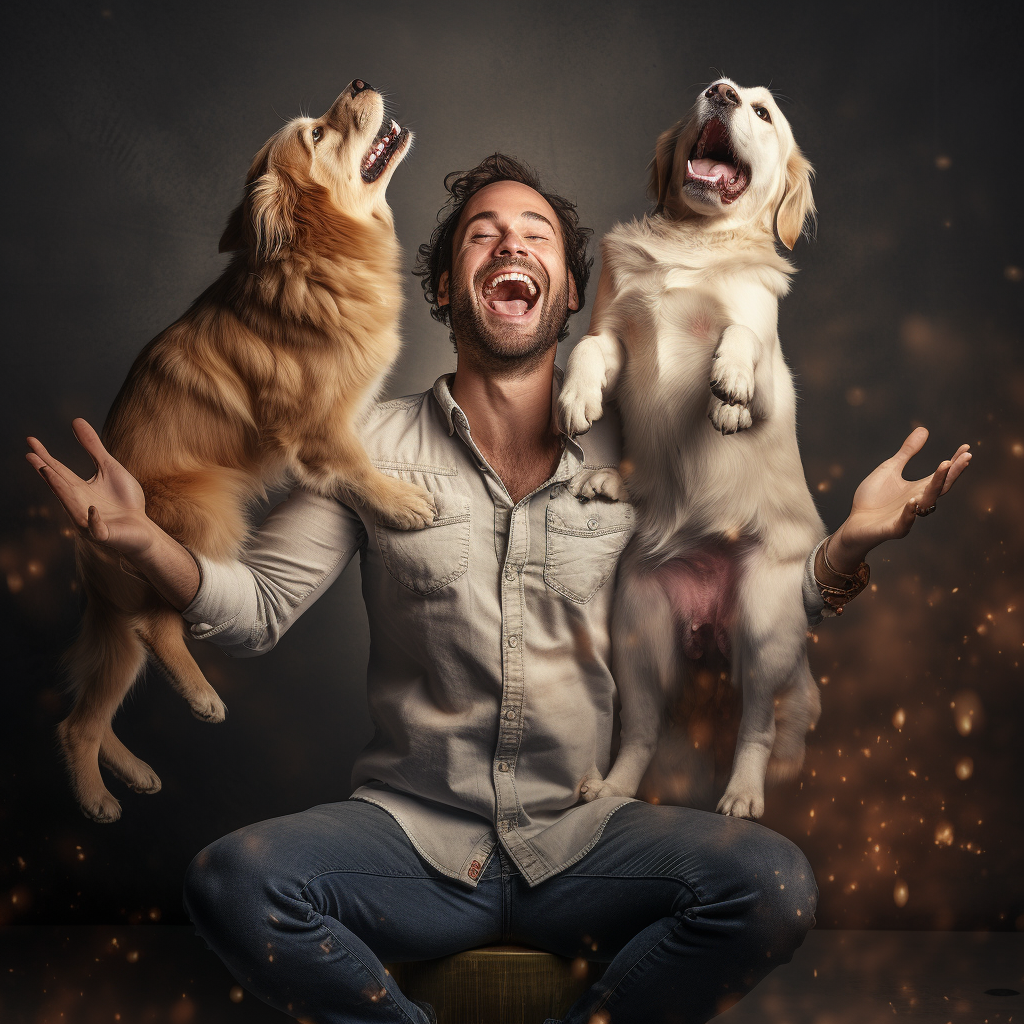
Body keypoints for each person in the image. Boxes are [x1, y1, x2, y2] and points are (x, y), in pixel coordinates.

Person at [26, 154, 971, 1024]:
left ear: (568, 298)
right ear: (445, 288)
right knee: (232, 882)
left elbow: (741, 606)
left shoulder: (644, 452)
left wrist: (845, 546)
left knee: (774, 885)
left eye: (536, 236)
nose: (511, 243)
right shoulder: (370, 447)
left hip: (586, 842)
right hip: (409, 846)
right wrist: (148, 542)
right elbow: (257, 610)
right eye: (483, 233)